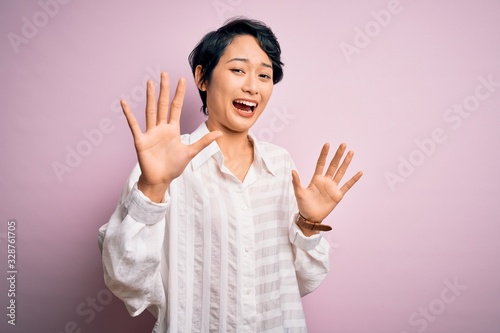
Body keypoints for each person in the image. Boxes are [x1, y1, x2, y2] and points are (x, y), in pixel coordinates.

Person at [98, 17, 362, 333]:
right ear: (202, 78)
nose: (252, 86)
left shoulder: (280, 165)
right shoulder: (162, 167)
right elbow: (127, 280)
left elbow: (301, 282)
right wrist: (153, 188)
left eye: (264, 75)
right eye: (238, 70)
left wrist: (307, 226)